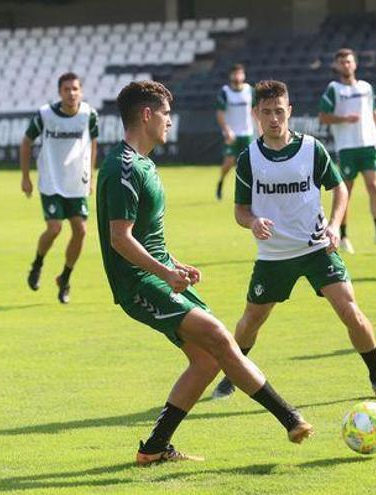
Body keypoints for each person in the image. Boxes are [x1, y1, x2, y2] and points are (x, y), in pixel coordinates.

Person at [96, 81, 313, 466]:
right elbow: (120, 238)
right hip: (138, 284)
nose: (169, 122)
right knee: (218, 337)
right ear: (146, 115)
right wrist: (165, 272)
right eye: (165, 114)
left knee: (208, 360)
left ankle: (153, 448)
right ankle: (290, 418)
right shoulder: (123, 167)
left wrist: (173, 263)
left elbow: (147, 235)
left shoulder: (143, 164)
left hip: (160, 276)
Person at [210, 80, 376, 401]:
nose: (274, 118)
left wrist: (336, 226)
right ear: (256, 113)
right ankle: (232, 374)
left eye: (280, 111)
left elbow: (339, 188)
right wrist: (253, 222)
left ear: (290, 112)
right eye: (267, 112)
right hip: (273, 255)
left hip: (316, 249)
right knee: (252, 319)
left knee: (350, 311)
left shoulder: (312, 149)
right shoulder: (248, 159)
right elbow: (240, 211)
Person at [20, 72, 98, 304]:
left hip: (76, 182)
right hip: (51, 181)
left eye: (75, 89)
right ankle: (37, 264)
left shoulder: (89, 115)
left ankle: (65, 278)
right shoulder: (45, 115)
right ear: (59, 92)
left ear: (81, 91)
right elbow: (26, 142)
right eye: (66, 89)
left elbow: (94, 143)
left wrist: (91, 176)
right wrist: (25, 177)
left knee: (81, 231)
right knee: (54, 229)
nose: (71, 93)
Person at [318, 48, 376, 254]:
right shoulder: (334, 89)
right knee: (346, 193)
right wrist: (344, 119)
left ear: (355, 64)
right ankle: (343, 235)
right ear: (336, 66)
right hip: (347, 147)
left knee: (374, 186)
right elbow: (323, 117)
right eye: (342, 62)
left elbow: (373, 112)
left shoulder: (366, 87)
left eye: (349, 61)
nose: (346, 65)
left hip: (369, 144)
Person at [215, 63, 260, 200]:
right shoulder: (225, 92)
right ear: (231, 76)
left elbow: (254, 111)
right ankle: (221, 182)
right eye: (235, 73)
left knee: (250, 163)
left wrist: (259, 128)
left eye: (240, 73)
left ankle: (251, 192)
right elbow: (220, 113)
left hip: (247, 133)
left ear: (244, 75)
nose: (237, 76)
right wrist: (227, 130)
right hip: (232, 134)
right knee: (228, 162)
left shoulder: (249, 91)